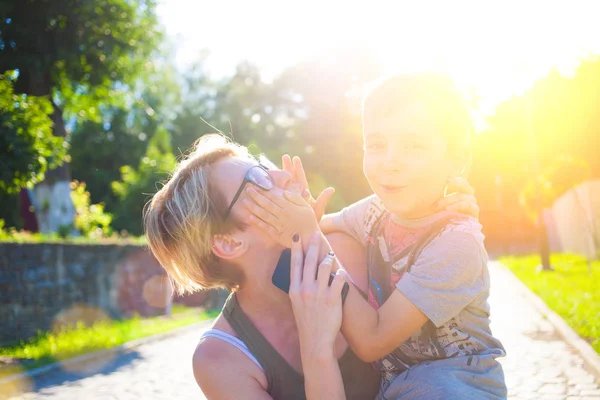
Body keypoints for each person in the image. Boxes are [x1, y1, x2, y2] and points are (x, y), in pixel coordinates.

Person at [143, 132, 480, 399]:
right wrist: (317, 349)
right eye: (256, 180)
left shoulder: (349, 249)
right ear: (229, 242)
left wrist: (445, 205)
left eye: (262, 164)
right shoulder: (221, 360)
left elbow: (427, 228)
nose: (279, 174)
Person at [244, 73, 507, 399]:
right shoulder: (374, 211)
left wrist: (307, 232)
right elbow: (318, 227)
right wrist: (299, 209)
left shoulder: (457, 243)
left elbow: (372, 339)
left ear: (458, 159)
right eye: (376, 145)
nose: (390, 162)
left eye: (414, 145)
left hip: (457, 386)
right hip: (395, 387)